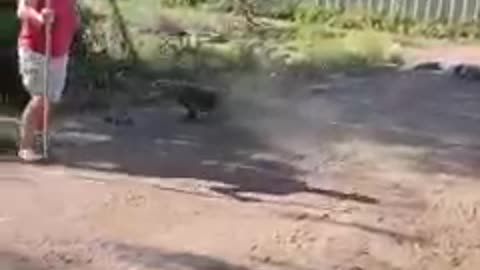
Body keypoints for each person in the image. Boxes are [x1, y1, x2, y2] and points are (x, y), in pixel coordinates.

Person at [16, 0, 79, 162]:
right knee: (40, 96)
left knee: (50, 98)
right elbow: (22, 9)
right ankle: (26, 146)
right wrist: (39, 18)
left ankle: (41, 141)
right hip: (36, 50)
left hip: (59, 51)